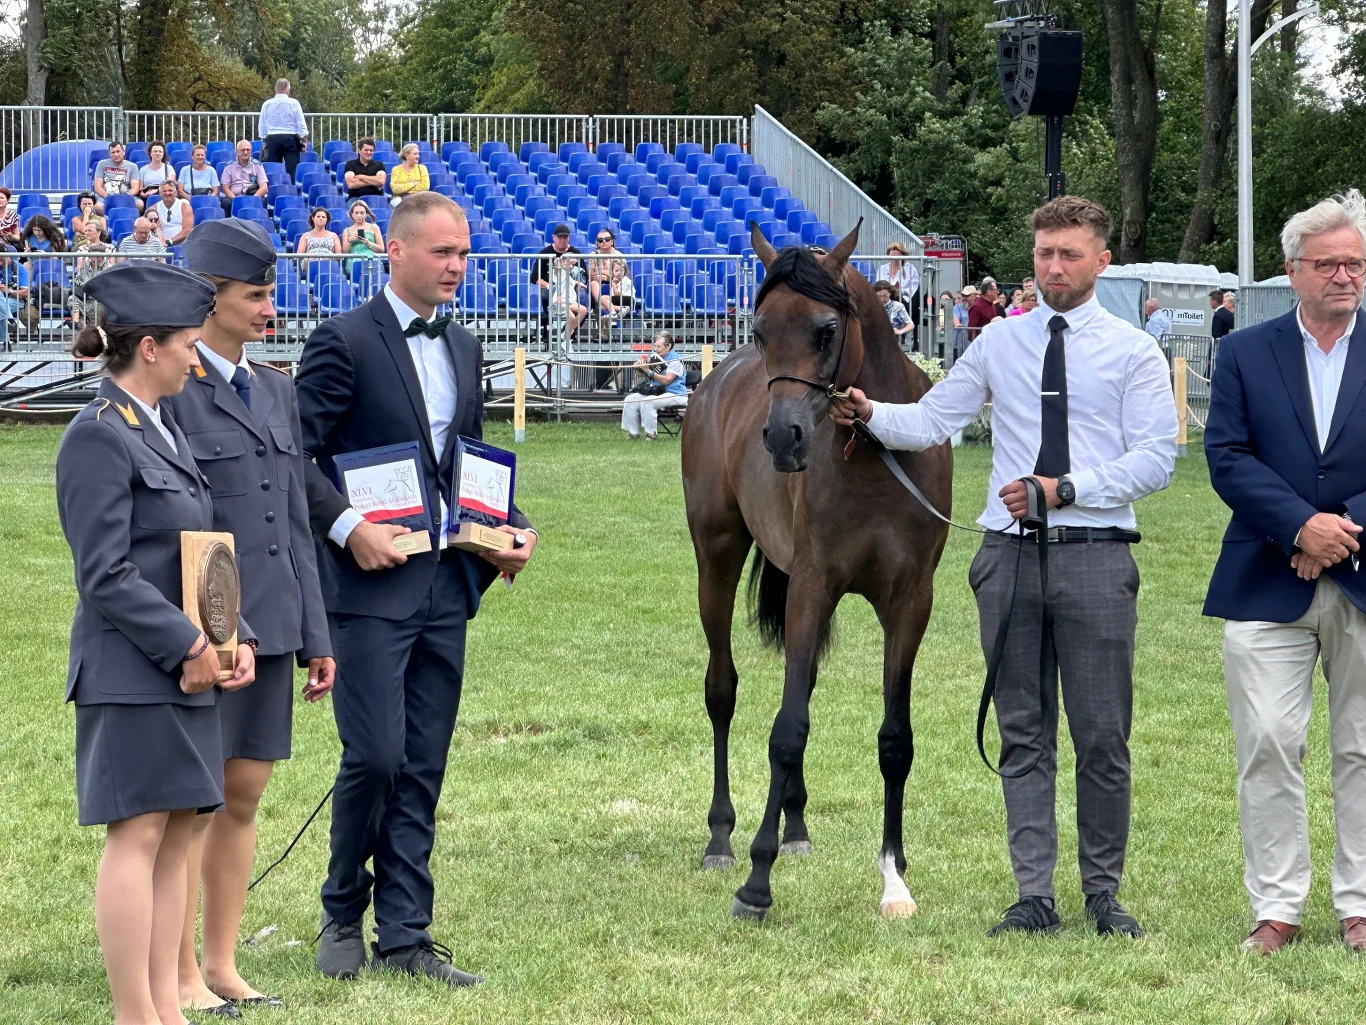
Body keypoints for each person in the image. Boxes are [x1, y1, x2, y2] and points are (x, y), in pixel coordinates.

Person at [832, 195, 1178, 939]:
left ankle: (1103, 894)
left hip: (1096, 554)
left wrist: (1065, 490)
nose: (1054, 266)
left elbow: (1157, 458)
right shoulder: (999, 343)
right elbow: (933, 420)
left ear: (1101, 260)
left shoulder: (1132, 351)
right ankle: (1033, 897)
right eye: (1044, 253)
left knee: (1102, 735)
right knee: (1022, 731)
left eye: (1070, 254)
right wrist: (869, 412)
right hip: (1008, 558)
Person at [295, 191, 536, 986]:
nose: (456, 266)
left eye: (463, 253)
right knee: (376, 755)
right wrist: (347, 528)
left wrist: (510, 528)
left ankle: (405, 934)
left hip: (445, 586)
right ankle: (341, 910)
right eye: (442, 252)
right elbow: (293, 455)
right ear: (394, 251)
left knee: (423, 762)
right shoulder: (342, 341)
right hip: (367, 588)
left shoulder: (464, 345)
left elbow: (465, 461)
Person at [55, 261, 256, 1025]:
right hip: (132, 669)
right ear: (148, 347)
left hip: (186, 668)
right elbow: (103, 572)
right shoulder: (99, 435)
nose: (194, 359)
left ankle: (167, 1008)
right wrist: (186, 644)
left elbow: (198, 551)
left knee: (175, 835)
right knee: (138, 835)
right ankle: (134, 1013)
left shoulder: (159, 428)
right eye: (186, 345)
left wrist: (232, 635)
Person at [169, 219, 335, 1013]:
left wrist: (315, 636)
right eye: (255, 295)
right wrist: (210, 634)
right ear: (209, 299)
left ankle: (221, 961)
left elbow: (295, 520)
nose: (271, 308)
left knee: (242, 795)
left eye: (271, 293)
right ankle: (177, 972)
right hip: (211, 631)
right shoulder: (173, 388)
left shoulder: (276, 388)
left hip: (274, 624)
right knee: (192, 802)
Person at [1203, 189, 1366, 956]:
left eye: (1355, 263)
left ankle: (1360, 905)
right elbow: (1227, 456)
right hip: (1266, 576)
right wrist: (1300, 525)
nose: (1344, 276)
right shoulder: (1244, 351)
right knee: (1267, 740)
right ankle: (1277, 907)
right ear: (1293, 270)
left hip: (1363, 575)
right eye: (1328, 264)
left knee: (1362, 745)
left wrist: (1340, 531)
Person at [621, 330, 688, 440]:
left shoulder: (675, 360)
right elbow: (642, 374)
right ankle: (633, 433)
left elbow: (667, 380)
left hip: (675, 394)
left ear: (668, 346)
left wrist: (649, 372)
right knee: (630, 400)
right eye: (655, 346)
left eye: (659, 347)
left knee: (648, 401)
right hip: (656, 391)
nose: (656, 349)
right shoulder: (654, 356)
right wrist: (638, 367)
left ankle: (651, 434)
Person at [259, 78, 309, 180]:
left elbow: (262, 125)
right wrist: (304, 141)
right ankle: (291, 187)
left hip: (272, 138)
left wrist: (264, 140)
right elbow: (301, 124)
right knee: (292, 169)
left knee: (273, 169)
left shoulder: (267, 104)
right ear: (288, 89)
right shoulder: (294, 103)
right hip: (290, 138)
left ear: (275, 89)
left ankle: (274, 187)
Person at [69, 223, 117, 324]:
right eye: (92, 256)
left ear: (103, 257)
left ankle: (87, 324)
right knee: (72, 298)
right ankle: (76, 322)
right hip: (86, 297)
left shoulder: (108, 269)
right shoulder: (85, 267)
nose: (93, 259)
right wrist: (85, 286)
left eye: (97, 257)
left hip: (101, 299)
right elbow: (77, 281)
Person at [880, 241, 920, 345]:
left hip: (904, 301)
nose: (894, 259)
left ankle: (901, 335)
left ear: (902, 256)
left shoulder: (910, 268)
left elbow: (913, 287)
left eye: (897, 256)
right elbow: (878, 285)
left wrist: (900, 291)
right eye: (892, 256)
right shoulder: (883, 268)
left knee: (899, 303)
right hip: (885, 300)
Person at [220, 141, 268, 219]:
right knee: (225, 202)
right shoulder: (229, 166)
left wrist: (253, 199)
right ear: (237, 151)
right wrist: (236, 199)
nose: (245, 152)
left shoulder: (258, 165)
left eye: (248, 150)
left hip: (252, 196)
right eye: (243, 150)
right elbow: (225, 188)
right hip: (234, 196)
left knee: (262, 201)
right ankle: (229, 224)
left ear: (251, 151)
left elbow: (264, 188)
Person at [93, 141, 144, 213]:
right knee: (98, 207)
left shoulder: (132, 166)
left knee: (140, 204)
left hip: (126, 196)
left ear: (123, 152)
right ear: (109, 154)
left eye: (118, 151)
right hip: (106, 196)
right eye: (113, 152)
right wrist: (107, 196)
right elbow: (97, 187)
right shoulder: (102, 164)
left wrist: (124, 197)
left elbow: (135, 188)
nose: (116, 154)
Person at [341, 200, 385, 274]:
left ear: (366, 214)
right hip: (353, 262)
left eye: (362, 213)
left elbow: (381, 249)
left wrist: (367, 242)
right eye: (356, 213)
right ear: (352, 214)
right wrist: (350, 240)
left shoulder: (374, 227)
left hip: (371, 260)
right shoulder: (346, 230)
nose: (359, 215)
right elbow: (345, 252)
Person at [148, 179, 195, 247]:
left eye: (170, 190)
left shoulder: (185, 207)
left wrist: (170, 241)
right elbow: (148, 230)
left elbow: (187, 230)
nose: (167, 193)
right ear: (160, 193)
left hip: (183, 245)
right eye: (164, 191)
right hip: (161, 246)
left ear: (176, 192)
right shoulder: (153, 209)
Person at [587, 228, 622, 309]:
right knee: (593, 283)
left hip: (615, 283)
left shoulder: (618, 255)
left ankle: (604, 307)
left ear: (612, 242)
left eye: (607, 239)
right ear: (598, 243)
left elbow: (619, 274)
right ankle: (613, 308)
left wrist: (603, 276)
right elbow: (592, 274)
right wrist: (608, 273)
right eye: (600, 240)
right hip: (596, 283)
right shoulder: (593, 255)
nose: (604, 241)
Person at [967, 277, 999, 342]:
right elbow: (971, 332)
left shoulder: (992, 305)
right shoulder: (976, 307)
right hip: (981, 343)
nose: (998, 292)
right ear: (989, 291)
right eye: (996, 290)